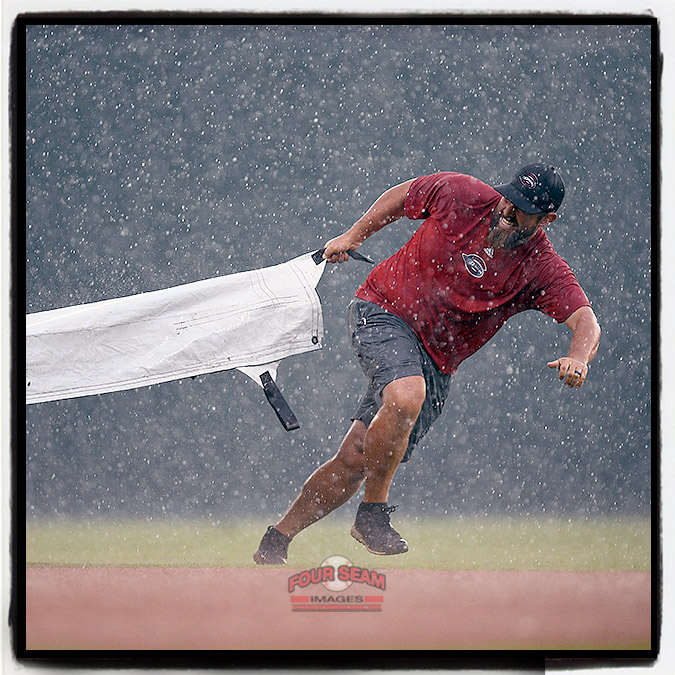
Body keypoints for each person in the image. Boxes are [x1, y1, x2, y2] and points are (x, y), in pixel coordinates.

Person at [253, 163, 601, 565]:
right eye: (510, 196)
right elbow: (401, 196)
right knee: (405, 395)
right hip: (382, 310)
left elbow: (585, 320)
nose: (508, 209)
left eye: (523, 208)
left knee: (358, 457)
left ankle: (275, 542)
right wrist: (352, 236)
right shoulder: (461, 193)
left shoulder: (541, 266)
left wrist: (578, 357)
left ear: (547, 220)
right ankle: (373, 516)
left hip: (437, 362)